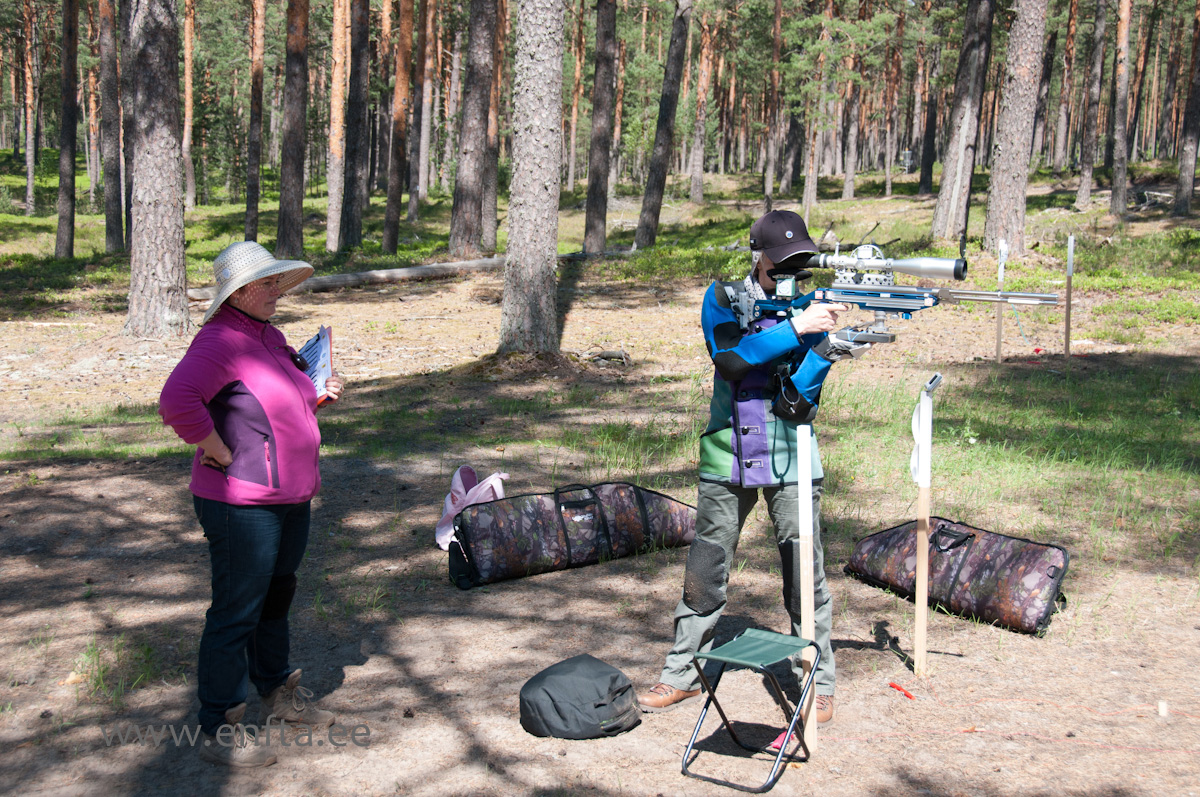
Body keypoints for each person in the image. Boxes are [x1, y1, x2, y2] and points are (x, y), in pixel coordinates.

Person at [637, 210, 868, 739]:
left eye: (800, 258)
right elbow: (731, 363)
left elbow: (799, 402)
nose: (793, 267)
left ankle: (819, 681)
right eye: (783, 259)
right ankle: (683, 674)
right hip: (727, 453)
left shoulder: (810, 306)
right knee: (706, 564)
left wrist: (825, 350)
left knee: (803, 572)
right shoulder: (722, 298)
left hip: (792, 451)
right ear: (758, 255)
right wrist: (796, 328)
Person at [160, 241, 345, 768]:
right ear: (236, 293)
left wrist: (315, 396)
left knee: (276, 599)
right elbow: (177, 400)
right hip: (241, 502)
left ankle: (278, 698)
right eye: (265, 285)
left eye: (276, 283)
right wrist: (214, 447)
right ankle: (218, 726)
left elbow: (267, 401)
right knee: (237, 610)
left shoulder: (268, 336)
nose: (276, 292)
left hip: (288, 496)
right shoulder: (219, 341)